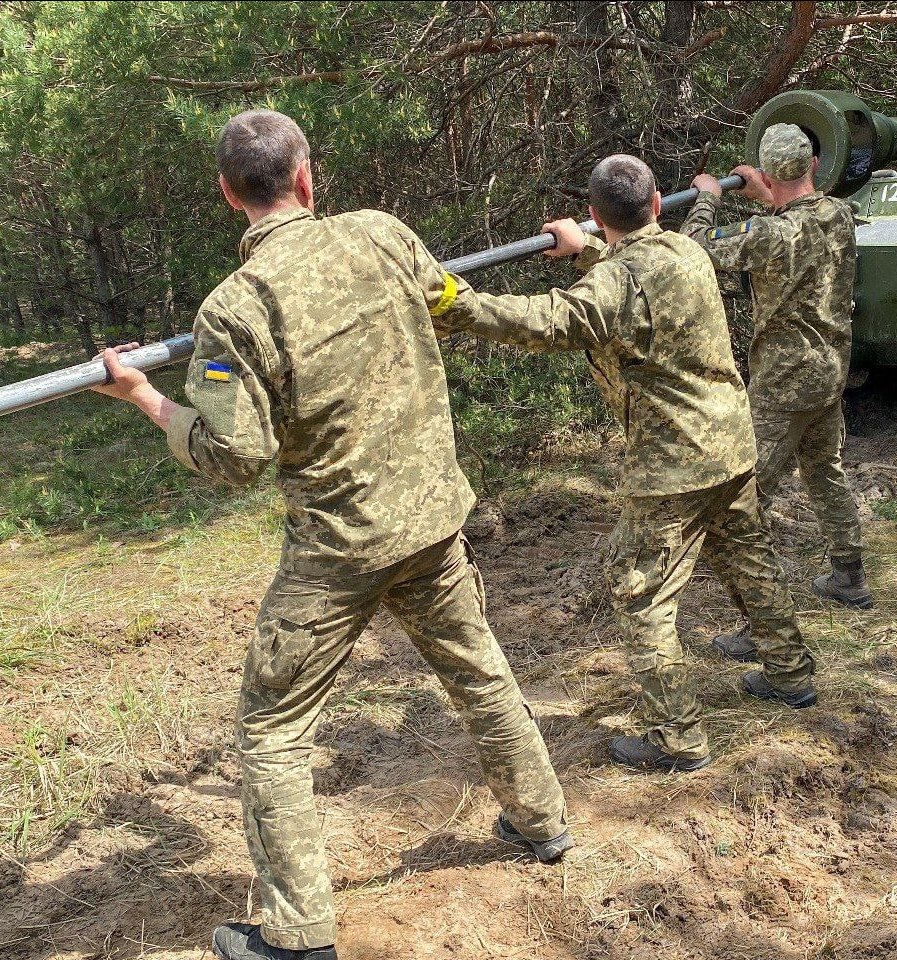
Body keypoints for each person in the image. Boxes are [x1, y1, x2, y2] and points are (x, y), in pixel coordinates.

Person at [92, 109, 572, 960]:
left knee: (272, 731)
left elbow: (234, 457)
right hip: (431, 522)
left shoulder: (234, 310)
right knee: (480, 672)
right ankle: (542, 823)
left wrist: (142, 396)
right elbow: (446, 301)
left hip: (339, 551)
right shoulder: (384, 235)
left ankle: (299, 934)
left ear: (227, 194)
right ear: (306, 176)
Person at [433, 154, 818, 774]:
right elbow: (633, 280)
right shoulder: (687, 253)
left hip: (674, 466)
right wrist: (585, 248)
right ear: (658, 203)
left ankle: (678, 737)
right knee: (747, 558)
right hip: (730, 444)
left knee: (641, 598)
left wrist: (454, 300)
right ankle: (791, 672)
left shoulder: (618, 281)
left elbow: (550, 321)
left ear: (595, 214)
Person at [681, 122, 872, 663]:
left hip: (783, 383)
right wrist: (768, 195)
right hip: (830, 370)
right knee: (823, 470)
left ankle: (760, 625)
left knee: (742, 502)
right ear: (813, 165)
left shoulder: (766, 236)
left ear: (767, 173)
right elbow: (798, 221)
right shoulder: (838, 215)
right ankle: (848, 574)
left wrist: (708, 198)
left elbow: (697, 252)